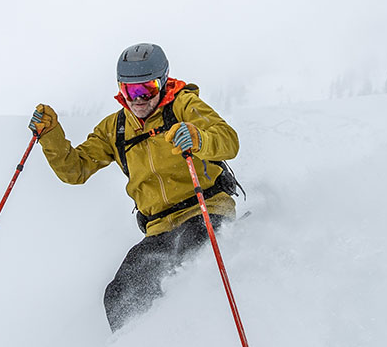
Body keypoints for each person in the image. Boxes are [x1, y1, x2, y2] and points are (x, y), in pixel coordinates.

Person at [29, 43, 241, 331]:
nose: (138, 99)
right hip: (159, 229)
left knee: (187, 259)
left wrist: (198, 137)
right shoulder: (115, 128)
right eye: (130, 91)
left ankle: (198, 334)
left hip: (205, 211)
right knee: (120, 293)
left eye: (147, 89)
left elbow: (228, 140)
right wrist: (50, 136)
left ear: (163, 82)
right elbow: (75, 170)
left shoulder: (183, 106)